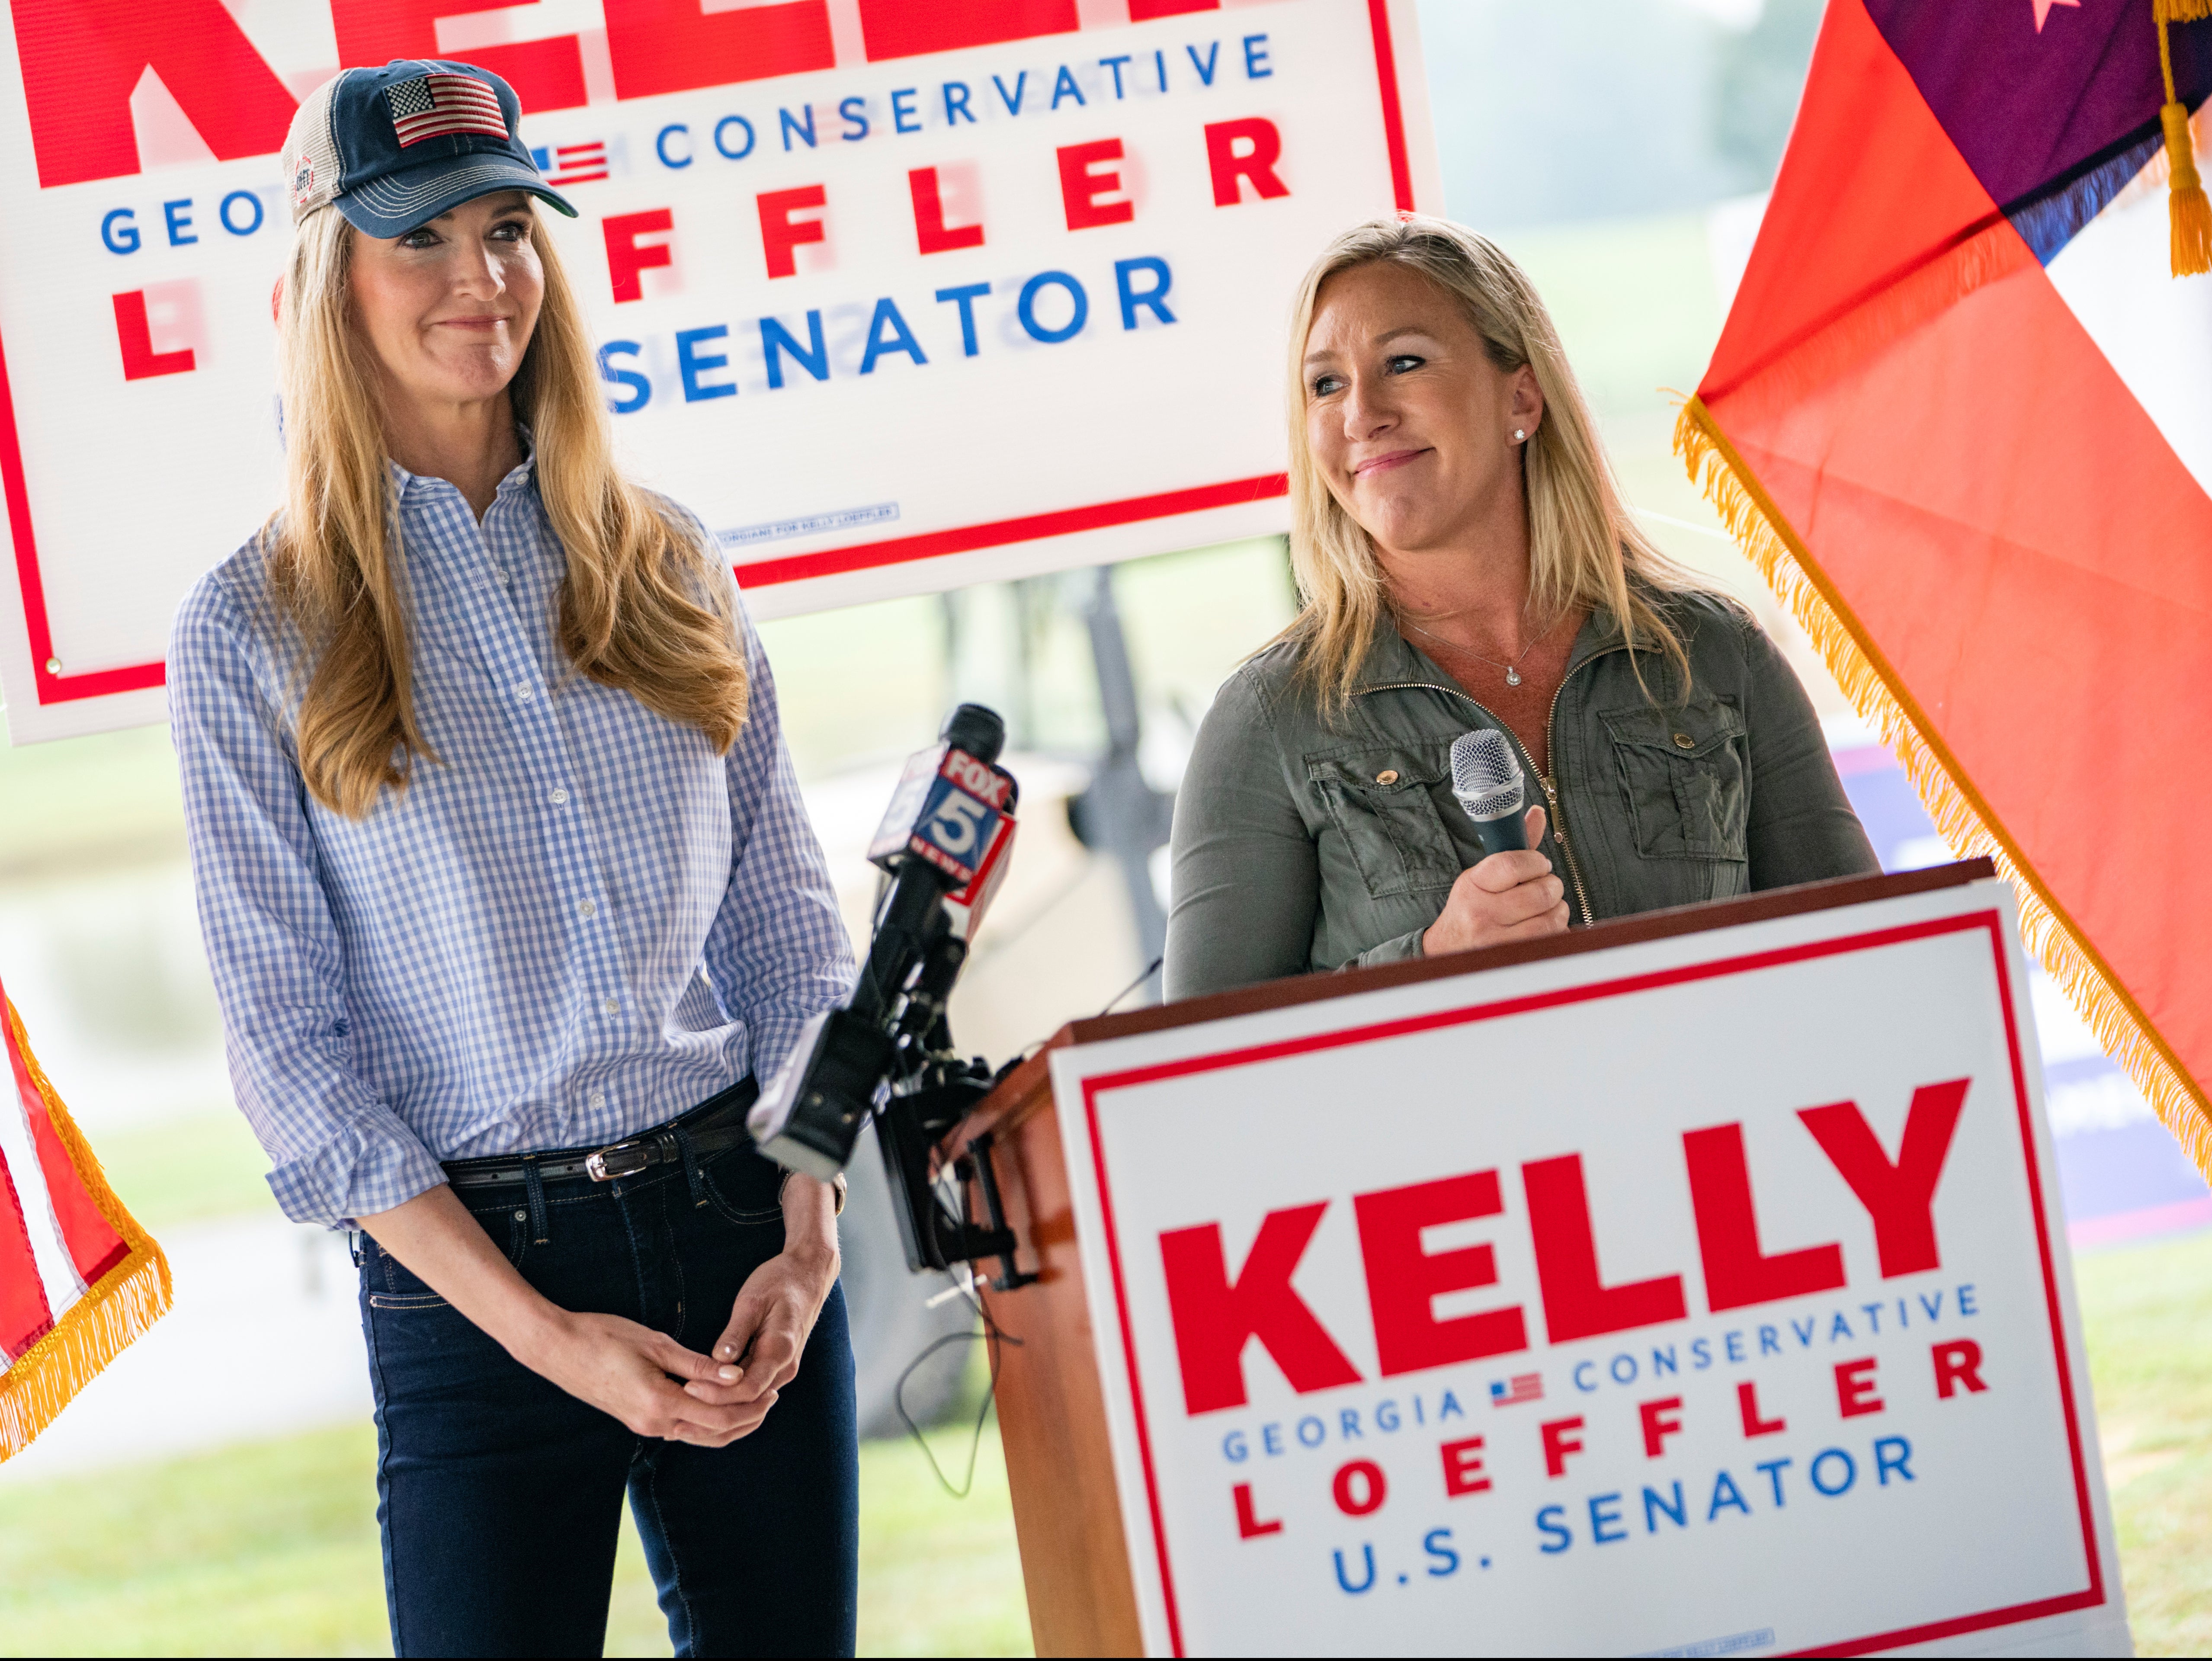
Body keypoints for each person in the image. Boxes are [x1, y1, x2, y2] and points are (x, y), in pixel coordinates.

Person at [169, 62, 859, 1657]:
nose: (482, 281)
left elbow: (787, 935)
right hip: (477, 1296)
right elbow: (291, 1057)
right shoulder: (250, 632)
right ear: (324, 285)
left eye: (507, 229)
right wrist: (547, 1336)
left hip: (746, 1231)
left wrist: (812, 1227)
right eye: (423, 240)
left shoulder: (670, 559)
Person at [1166, 216, 1878, 1001]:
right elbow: (1203, 1063)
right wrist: (1430, 962)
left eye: (1403, 363)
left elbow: (1864, 960)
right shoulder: (1271, 717)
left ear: (1523, 399)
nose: (1360, 414)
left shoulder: (1712, 654)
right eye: (1324, 384)